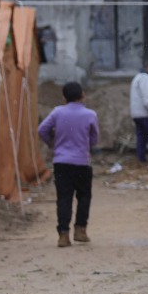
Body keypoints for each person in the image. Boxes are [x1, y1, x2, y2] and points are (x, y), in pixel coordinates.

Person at [38, 81, 100, 248]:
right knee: (84, 196)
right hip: (82, 162)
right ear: (83, 95)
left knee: (64, 198)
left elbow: (42, 129)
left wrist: (52, 143)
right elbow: (94, 139)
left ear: (64, 97)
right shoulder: (90, 115)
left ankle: (63, 235)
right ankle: (80, 230)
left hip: (61, 162)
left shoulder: (57, 112)